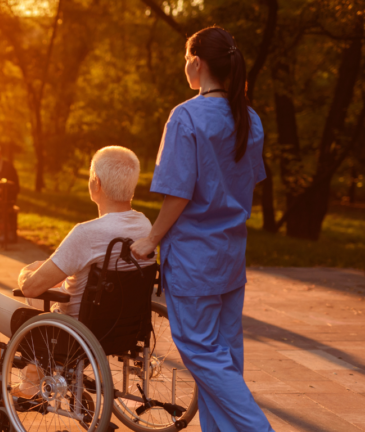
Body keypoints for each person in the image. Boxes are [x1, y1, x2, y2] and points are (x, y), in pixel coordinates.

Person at [130, 26, 273, 432]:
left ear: (196, 62)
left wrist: (151, 238)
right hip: (230, 256)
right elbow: (244, 182)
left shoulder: (187, 116)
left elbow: (179, 192)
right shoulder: (250, 117)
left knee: (203, 355)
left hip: (195, 259)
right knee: (224, 356)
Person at [0, 146, 156, 413]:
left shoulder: (86, 234)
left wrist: (28, 271)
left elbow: (31, 286)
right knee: (52, 287)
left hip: (68, 334)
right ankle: (31, 383)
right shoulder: (145, 227)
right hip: (119, 329)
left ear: (96, 183)